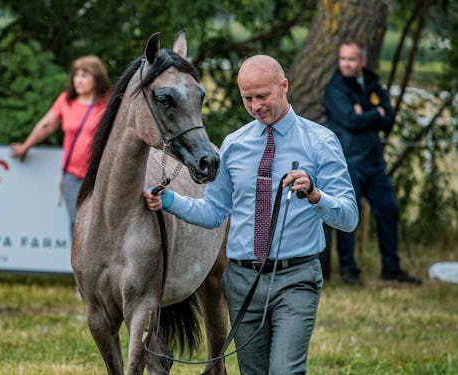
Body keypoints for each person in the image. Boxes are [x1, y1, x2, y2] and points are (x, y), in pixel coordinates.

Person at [144, 55, 358, 374]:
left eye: (262, 96)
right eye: (247, 98)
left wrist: (316, 195)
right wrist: (169, 200)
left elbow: (348, 217)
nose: (255, 106)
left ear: (283, 86)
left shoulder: (320, 141)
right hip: (242, 282)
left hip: (296, 278)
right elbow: (214, 213)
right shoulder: (233, 144)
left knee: (285, 370)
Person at [323, 41, 421, 286]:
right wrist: (373, 113)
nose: (346, 63)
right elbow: (349, 121)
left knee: (389, 209)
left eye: (351, 59)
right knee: (349, 215)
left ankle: (391, 268)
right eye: (343, 58)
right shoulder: (334, 88)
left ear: (362, 61)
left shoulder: (373, 84)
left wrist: (365, 112)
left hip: (374, 162)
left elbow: (389, 119)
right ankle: (349, 270)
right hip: (348, 162)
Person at [10, 55, 111, 235]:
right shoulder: (66, 100)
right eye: (76, 75)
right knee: (78, 223)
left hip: (99, 174)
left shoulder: (107, 103)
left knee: (101, 224)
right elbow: (46, 125)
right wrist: (25, 146)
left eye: (85, 76)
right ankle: (79, 263)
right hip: (72, 175)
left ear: (97, 79)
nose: (78, 80)